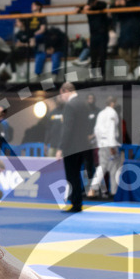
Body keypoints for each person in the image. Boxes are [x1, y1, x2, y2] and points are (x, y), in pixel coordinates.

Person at [55, 82, 91, 214]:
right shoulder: (84, 104)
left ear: (66, 91)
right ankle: (78, 202)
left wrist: (60, 147)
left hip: (71, 146)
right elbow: (87, 126)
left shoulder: (70, 105)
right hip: (82, 145)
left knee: (72, 175)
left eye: (61, 94)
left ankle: (76, 203)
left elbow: (67, 128)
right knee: (77, 175)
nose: (61, 98)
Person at [90, 96, 123, 198]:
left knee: (102, 167)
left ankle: (92, 189)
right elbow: (111, 130)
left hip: (102, 145)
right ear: (113, 103)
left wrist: (100, 143)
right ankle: (114, 192)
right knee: (114, 169)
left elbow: (96, 130)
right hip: (110, 145)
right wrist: (112, 146)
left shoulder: (101, 113)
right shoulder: (112, 113)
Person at [78, 0, 110, 79]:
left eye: (93, 2)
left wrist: (90, 8)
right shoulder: (88, 6)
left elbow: (102, 5)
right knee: (93, 56)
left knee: (102, 56)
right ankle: (93, 75)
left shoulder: (100, 5)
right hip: (94, 34)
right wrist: (80, 9)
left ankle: (102, 76)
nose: (91, 4)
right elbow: (80, 8)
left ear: (96, 0)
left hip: (103, 34)